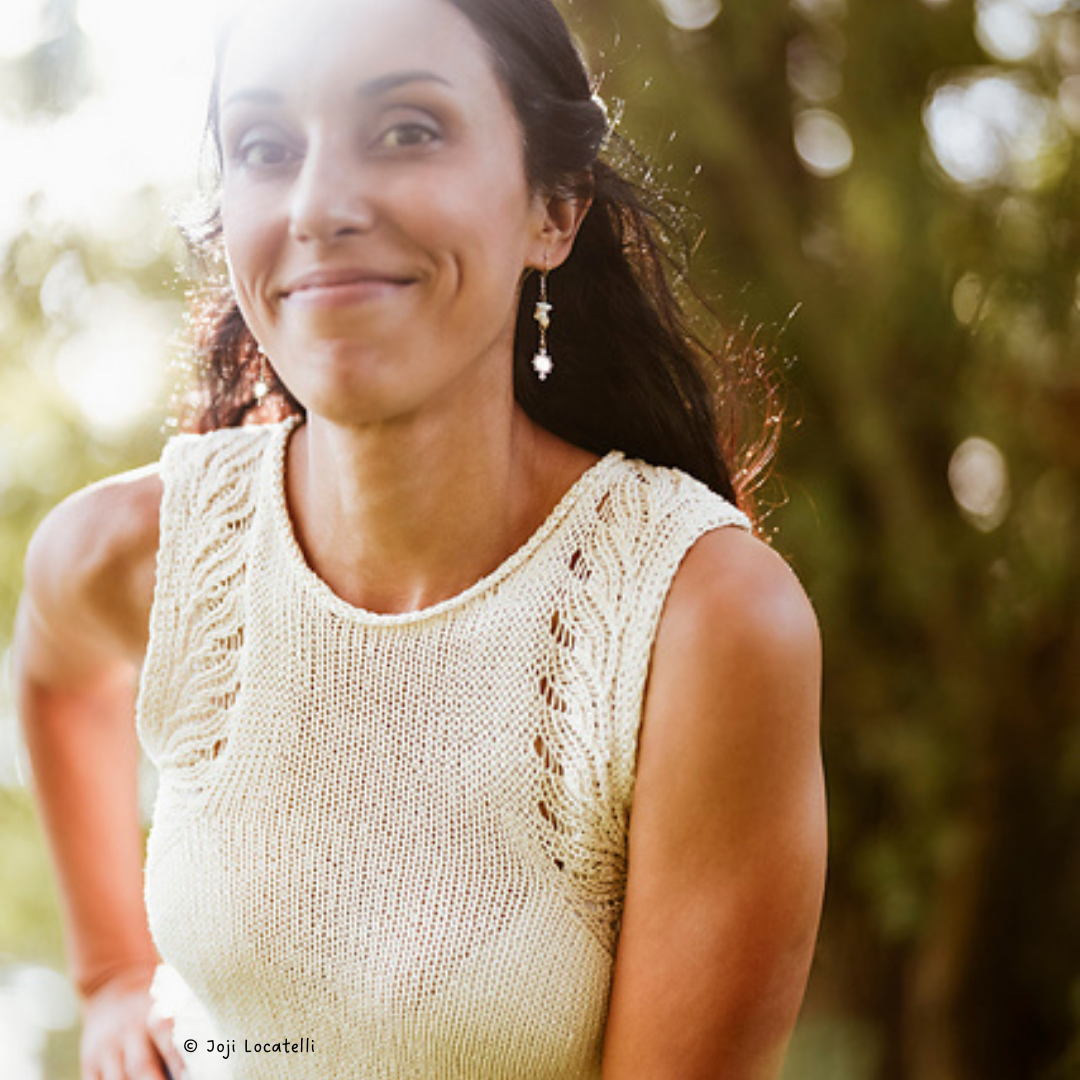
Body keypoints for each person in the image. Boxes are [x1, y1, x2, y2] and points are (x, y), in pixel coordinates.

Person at [14, 0, 826, 1076]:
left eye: (406, 129)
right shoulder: (139, 550)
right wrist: (112, 978)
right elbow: (55, 674)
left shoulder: (702, 622)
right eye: (265, 146)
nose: (320, 205)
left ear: (555, 208)